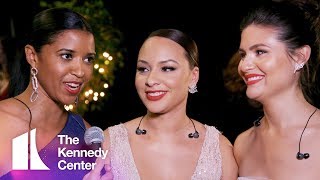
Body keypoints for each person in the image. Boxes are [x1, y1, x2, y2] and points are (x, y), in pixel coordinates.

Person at [86, 28, 238, 179]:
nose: (151, 80)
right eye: (143, 69)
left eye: (167, 68)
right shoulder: (108, 144)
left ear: (193, 76)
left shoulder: (219, 151)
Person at [0, 7, 98, 179]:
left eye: (88, 59)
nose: (81, 71)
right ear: (32, 56)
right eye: (67, 56)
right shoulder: (3, 121)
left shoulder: (86, 135)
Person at [234, 0, 320, 179]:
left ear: (299, 57)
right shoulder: (242, 144)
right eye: (243, 55)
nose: (244, 65)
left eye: (260, 52)